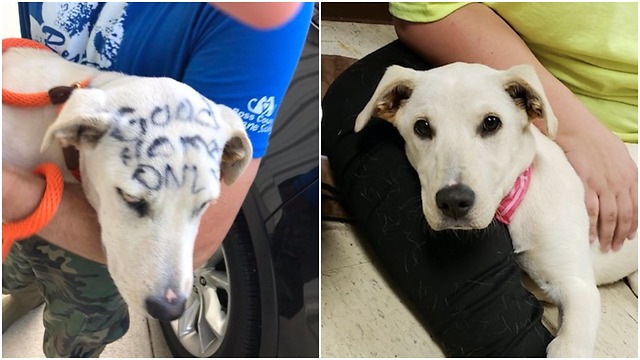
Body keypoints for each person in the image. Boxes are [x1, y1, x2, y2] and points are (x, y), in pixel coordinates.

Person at [321, 2, 637, 357]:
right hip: (540, 79)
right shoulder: (408, 95)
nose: (455, 183)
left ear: (531, 110)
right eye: (424, 128)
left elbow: (579, 292)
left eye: (489, 125)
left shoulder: (550, 198)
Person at [2, 2, 312, 357]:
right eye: (137, 200)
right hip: (55, 148)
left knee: (78, 331)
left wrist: (13, 194)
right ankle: (23, 293)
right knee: (19, 267)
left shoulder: (266, 17)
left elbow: (201, 242)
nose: (174, 298)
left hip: (84, 215)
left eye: (202, 202)